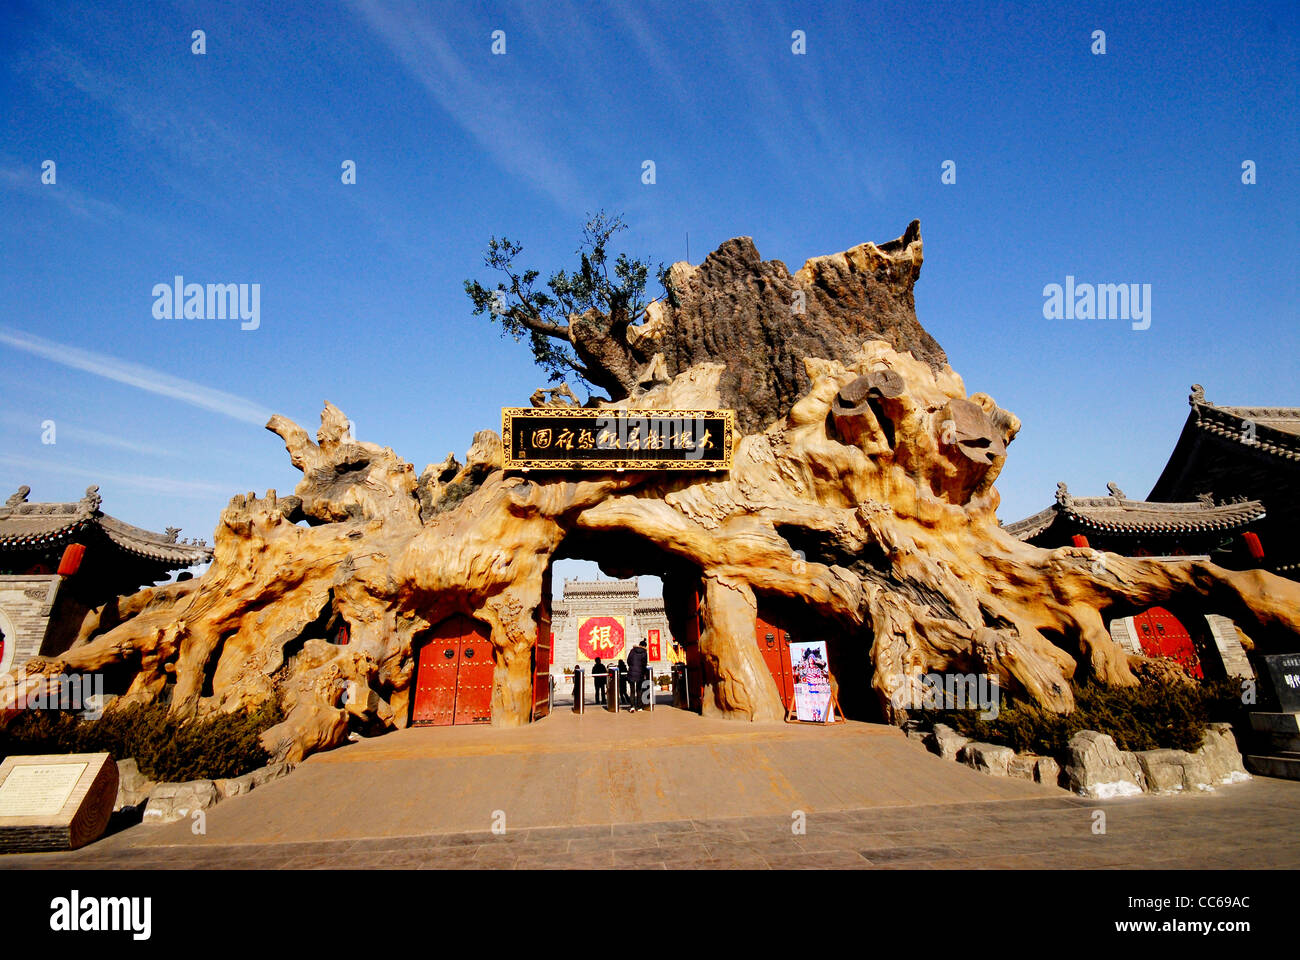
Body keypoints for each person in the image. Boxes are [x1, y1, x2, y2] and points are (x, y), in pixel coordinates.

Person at [627, 640, 649, 712]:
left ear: (639, 644)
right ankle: (639, 707)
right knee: (639, 690)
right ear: (645, 646)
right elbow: (644, 664)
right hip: (640, 674)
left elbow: (628, 661)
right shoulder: (644, 652)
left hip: (631, 673)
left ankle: (632, 707)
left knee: (632, 691)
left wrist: (632, 666)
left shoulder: (632, 651)